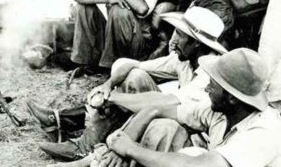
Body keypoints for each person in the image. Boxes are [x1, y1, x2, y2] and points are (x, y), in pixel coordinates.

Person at [27, 7, 227, 161]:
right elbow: (130, 64)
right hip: (173, 116)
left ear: (197, 43)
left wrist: (111, 98)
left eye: (180, 35)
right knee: (135, 75)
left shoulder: (209, 75)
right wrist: (107, 85)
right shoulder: (184, 59)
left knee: (151, 110)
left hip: (191, 140)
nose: (173, 41)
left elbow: (166, 103)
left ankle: (92, 149)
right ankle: (87, 142)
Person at [104, 48, 281, 167]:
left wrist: (130, 149)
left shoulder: (264, 131)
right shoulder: (222, 111)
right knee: (164, 126)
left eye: (213, 85)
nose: (207, 89)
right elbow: (156, 109)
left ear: (232, 98)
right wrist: (124, 140)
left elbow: (199, 165)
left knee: (192, 154)